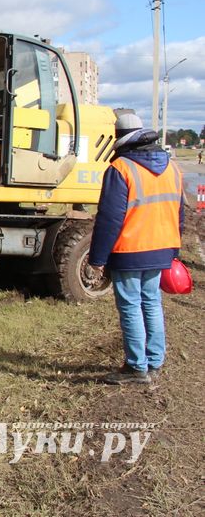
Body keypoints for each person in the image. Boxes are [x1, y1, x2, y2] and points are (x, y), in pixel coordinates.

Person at [88, 109, 184, 385]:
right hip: (162, 246)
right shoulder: (172, 168)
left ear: (120, 140)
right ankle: (154, 360)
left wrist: (97, 257)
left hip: (130, 249)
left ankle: (135, 367)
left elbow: (109, 218)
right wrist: (173, 249)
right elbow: (179, 213)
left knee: (130, 306)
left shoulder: (121, 168)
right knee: (151, 302)